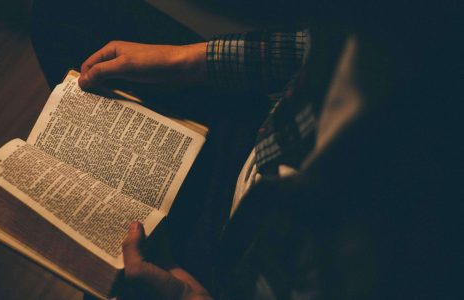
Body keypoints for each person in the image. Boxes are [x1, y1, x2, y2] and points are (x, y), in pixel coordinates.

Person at [32, 0, 458, 299]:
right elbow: (311, 46)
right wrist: (187, 61)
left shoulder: (410, 236)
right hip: (259, 140)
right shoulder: (400, 29)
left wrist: (188, 296)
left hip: (233, 261)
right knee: (67, 13)